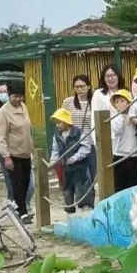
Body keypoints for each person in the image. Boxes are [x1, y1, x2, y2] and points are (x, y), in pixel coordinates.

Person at [0, 81, 34, 223]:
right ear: (9, 96)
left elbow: (28, 130)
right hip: (13, 154)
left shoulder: (24, 107)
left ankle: (20, 206)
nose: (17, 99)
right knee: (17, 183)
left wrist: (32, 148)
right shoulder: (3, 112)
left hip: (26, 153)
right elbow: (1, 137)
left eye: (20, 96)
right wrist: (6, 157)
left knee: (27, 182)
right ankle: (22, 212)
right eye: (14, 96)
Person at [61, 74, 97, 209]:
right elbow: (63, 121)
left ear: (88, 87)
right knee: (73, 175)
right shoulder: (68, 102)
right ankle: (71, 204)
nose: (79, 89)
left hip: (90, 143)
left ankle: (88, 204)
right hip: (72, 144)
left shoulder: (94, 101)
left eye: (82, 86)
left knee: (89, 175)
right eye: (76, 87)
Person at [48, 108, 93, 214]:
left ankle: (85, 209)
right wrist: (53, 160)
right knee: (67, 189)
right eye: (56, 123)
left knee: (81, 187)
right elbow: (55, 150)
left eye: (59, 122)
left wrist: (76, 157)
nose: (57, 125)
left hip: (79, 167)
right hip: (65, 168)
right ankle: (69, 210)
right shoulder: (57, 136)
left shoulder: (78, 133)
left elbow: (86, 147)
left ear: (66, 122)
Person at [108, 89, 137, 192]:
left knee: (133, 185)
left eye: (122, 101)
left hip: (134, 154)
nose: (119, 104)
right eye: (116, 102)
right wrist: (121, 116)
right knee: (119, 185)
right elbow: (117, 130)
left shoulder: (135, 115)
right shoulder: (114, 117)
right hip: (119, 155)